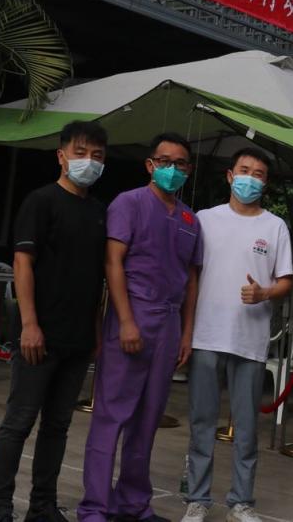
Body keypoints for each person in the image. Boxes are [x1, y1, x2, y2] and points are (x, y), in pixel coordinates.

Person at [0, 121, 109, 522]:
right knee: (19, 422)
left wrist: (95, 332)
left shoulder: (99, 213)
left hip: (78, 339)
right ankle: (0, 506)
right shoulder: (41, 202)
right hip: (39, 335)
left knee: (57, 426)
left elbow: (96, 278)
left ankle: (43, 506)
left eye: (97, 155)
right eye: (80, 152)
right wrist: (29, 324)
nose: (88, 161)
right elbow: (23, 263)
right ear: (61, 155)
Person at [78, 133, 202, 522]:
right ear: (150, 165)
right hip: (132, 312)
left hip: (169, 321)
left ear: (188, 169)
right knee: (111, 415)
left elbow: (191, 279)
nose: (172, 169)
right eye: (164, 161)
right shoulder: (128, 203)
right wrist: (127, 320)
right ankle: (95, 507)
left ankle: (132, 503)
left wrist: (186, 333)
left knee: (148, 418)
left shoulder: (189, 219)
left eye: (180, 163)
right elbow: (113, 262)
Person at [182, 147, 293, 522]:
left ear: (266, 183)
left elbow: (286, 281)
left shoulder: (275, 226)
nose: (250, 179)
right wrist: (185, 328)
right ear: (230, 176)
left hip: (250, 340)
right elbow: (191, 275)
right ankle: (197, 499)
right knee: (202, 422)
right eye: (244, 170)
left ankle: (241, 502)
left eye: (258, 174)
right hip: (206, 335)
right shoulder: (204, 219)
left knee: (246, 428)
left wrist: (264, 293)